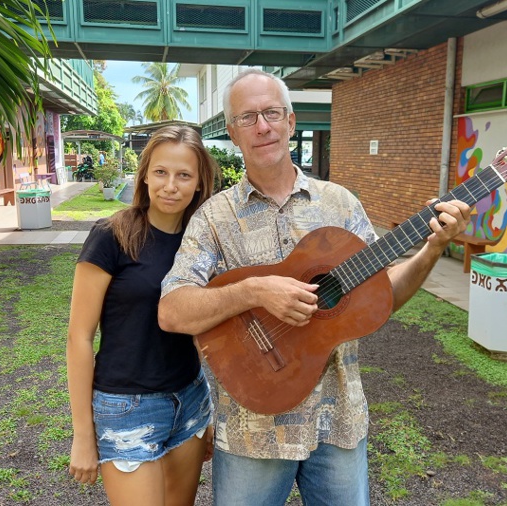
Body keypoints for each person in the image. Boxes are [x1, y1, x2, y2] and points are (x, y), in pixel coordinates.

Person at [157, 69, 471, 505]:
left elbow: (384, 295)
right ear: (231, 132)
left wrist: (432, 250)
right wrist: (253, 292)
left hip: (337, 423)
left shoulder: (340, 204)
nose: (262, 126)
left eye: (271, 113)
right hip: (253, 431)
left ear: (291, 120)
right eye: (248, 117)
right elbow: (172, 310)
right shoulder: (213, 218)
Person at [67, 125, 218, 505]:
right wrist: (83, 436)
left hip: (190, 398)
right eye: (161, 172)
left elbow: (201, 325)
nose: (171, 185)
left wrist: (207, 410)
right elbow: (79, 338)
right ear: (145, 174)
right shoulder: (111, 235)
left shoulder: (202, 242)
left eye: (184, 175)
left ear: (200, 183)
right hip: (125, 407)